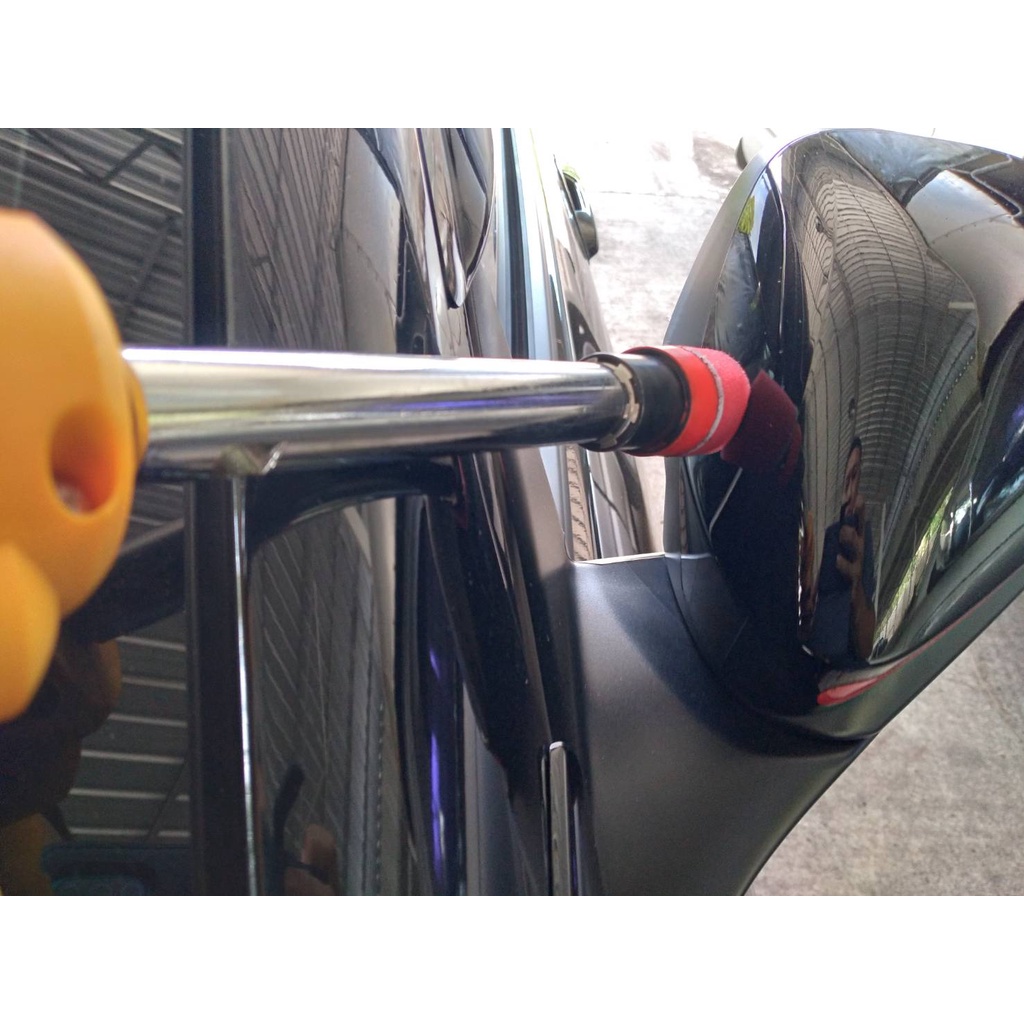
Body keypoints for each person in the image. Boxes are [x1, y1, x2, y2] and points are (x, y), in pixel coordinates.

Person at [807, 438, 876, 664]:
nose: (850, 488)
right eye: (847, 479)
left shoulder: (864, 538)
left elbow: (866, 645)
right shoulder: (829, 534)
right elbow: (813, 593)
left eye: (855, 476)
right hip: (815, 654)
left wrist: (856, 584)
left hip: (847, 661)